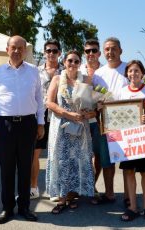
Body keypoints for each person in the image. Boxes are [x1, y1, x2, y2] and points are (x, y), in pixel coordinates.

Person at [0, 35, 44, 224]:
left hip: (28, 125)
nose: (17, 51)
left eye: (21, 48)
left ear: (26, 51)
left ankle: (25, 207)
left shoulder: (34, 71)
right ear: (7, 50)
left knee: (25, 167)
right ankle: (7, 208)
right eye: (14, 47)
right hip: (5, 126)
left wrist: (41, 123)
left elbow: (39, 100)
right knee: (7, 169)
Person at [45, 50, 96, 214]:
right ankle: (61, 198)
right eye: (69, 61)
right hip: (61, 126)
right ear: (64, 62)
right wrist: (68, 115)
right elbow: (49, 103)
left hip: (81, 127)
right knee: (61, 160)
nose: (72, 64)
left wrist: (90, 113)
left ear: (79, 63)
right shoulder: (57, 79)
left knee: (78, 160)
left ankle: (73, 196)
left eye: (76, 61)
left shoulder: (87, 80)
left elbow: (93, 107)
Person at [117, 60, 145, 221]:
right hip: (127, 139)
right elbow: (116, 114)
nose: (133, 74)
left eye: (136, 71)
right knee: (128, 171)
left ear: (142, 73)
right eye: (130, 71)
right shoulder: (121, 92)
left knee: (144, 172)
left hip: (144, 138)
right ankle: (133, 207)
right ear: (126, 74)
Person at [91, 37, 128, 204]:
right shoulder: (98, 74)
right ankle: (110, 193)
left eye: (113, 49)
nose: (110, 52)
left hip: (127, 120)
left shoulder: (129, 69)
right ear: (103, 52)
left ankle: (129, 196)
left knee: (128, 162)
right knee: (106, 159)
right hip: (104, 121)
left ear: (120, 50)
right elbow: (93, 97)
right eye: (107, 49)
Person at [31, 39, 63, 200]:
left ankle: (54, 189)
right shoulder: (35, 71)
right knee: (35, 153)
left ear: (59, 53)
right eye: (48, 50)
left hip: (59, 115)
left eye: (55, 50)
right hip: (40, 115)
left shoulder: (65, 71)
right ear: (44, 52)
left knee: (56, 154)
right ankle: (33, 187)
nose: (51, 53)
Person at [79, 38, 103, 197]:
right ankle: (83, 185)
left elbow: (109, 96)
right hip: (80, 121)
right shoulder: (78, 70)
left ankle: (92, 185)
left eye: (94, 50)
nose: (91, 53)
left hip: (100, 121)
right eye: (88, 51)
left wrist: (97, 110)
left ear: (99, 53)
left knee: (99, 156)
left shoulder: (105, 72)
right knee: (82, 155)